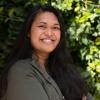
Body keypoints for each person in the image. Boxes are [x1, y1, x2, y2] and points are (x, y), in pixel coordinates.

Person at [0, 4, 89, 100]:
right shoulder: (20, 71)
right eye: (42, 26)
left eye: (55, 28)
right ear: (28, 32)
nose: (49, 33)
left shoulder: (66, 70)